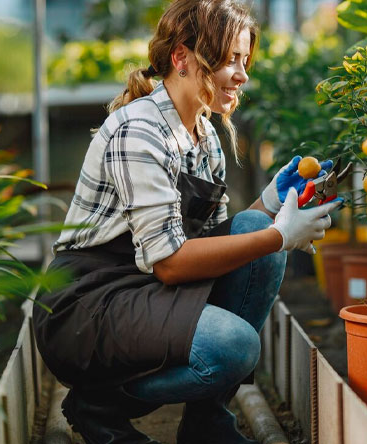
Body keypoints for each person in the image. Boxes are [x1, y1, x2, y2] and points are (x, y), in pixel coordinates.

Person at [32, 1, 342, 443]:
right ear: (182, 58)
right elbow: (171, 263)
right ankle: (99, 405)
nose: (242, 74)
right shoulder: (138, 131)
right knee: (233, 345)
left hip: (147, 290)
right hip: (90, 304)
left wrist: (272, 203)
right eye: (230, 59)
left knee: (257, 240)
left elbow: (219, 243)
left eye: (245, 60)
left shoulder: (204, 134)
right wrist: (279, 237)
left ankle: (206, 425)